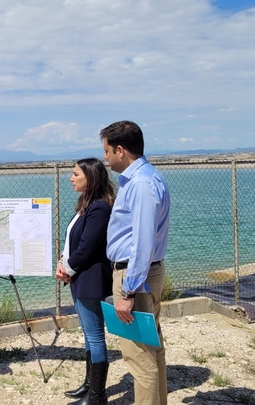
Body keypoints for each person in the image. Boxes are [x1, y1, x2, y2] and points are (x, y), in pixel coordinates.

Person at [100, 121, 170, 405]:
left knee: (139, 356)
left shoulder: (140, 184)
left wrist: (128, 291)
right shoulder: (148, 177)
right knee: (151, 348)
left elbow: (142, 242)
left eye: (106, 151)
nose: (104, 158)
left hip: (134, 275)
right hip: (143, 273)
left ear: (120, 150)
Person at [56, 158, 115, 405]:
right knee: (88, 334)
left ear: (90, 178)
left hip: (90, 279)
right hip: (79, 277)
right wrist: (63, 261)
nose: (71, 178)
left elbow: (87, 248)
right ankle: (89, 386)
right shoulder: (86, 204)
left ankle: (97, 397)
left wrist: (66, 269)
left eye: (75, 174)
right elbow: (73, 241)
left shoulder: (100, 207)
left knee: (95, 336)